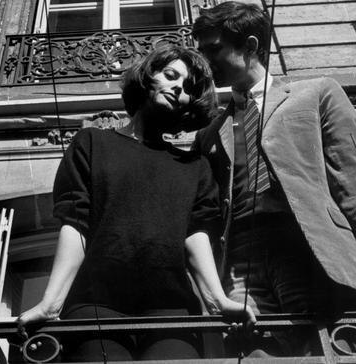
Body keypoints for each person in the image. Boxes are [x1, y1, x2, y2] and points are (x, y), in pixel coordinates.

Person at [192, 1, 356, 356]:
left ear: (250, 45)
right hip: (240, 259)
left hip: (304, 247)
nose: (205, 60)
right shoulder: (211, 132)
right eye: (201, 51)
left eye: (213, 49)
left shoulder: (315, 94)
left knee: (322, 350)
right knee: (251, 352)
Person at [17, 45, 254, 361]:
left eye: (187, 89)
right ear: (147, 76)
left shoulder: (194, 166)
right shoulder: (92, 144)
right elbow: (76, 224)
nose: (177, 89)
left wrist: (217, 301)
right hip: (96, 304)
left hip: (172, 311)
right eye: (170, 76)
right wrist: (51, 302)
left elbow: (196, 235)